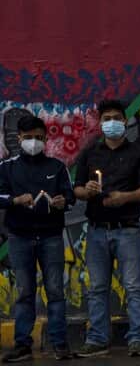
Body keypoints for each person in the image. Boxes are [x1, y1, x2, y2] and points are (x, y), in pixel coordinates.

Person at [72, 100, 140, 358]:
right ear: (100, 122)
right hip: (96, 229)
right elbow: (76, 189)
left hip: (127, 229)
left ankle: (137, 339)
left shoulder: (138, 152)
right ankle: (97, 339)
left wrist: (124, 197)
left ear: (125, 120)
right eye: (106, 118)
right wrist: (87, 191)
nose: (111, 122)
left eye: (116, 117)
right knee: (96, 287)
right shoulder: (90, 153)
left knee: (134, 286)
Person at [0, 116, 75, 363]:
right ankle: (22, 344)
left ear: (46, 138)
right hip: (19, 237)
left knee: (55, 291)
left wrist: (63, 201)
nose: (34, 142)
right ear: (19, 138)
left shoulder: (56, 166)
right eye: (29, 137)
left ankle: (59, 344)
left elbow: (70, 196)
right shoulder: (7, 167)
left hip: (51, 236)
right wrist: (14, 200)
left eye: (39, 137)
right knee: (24, 292)